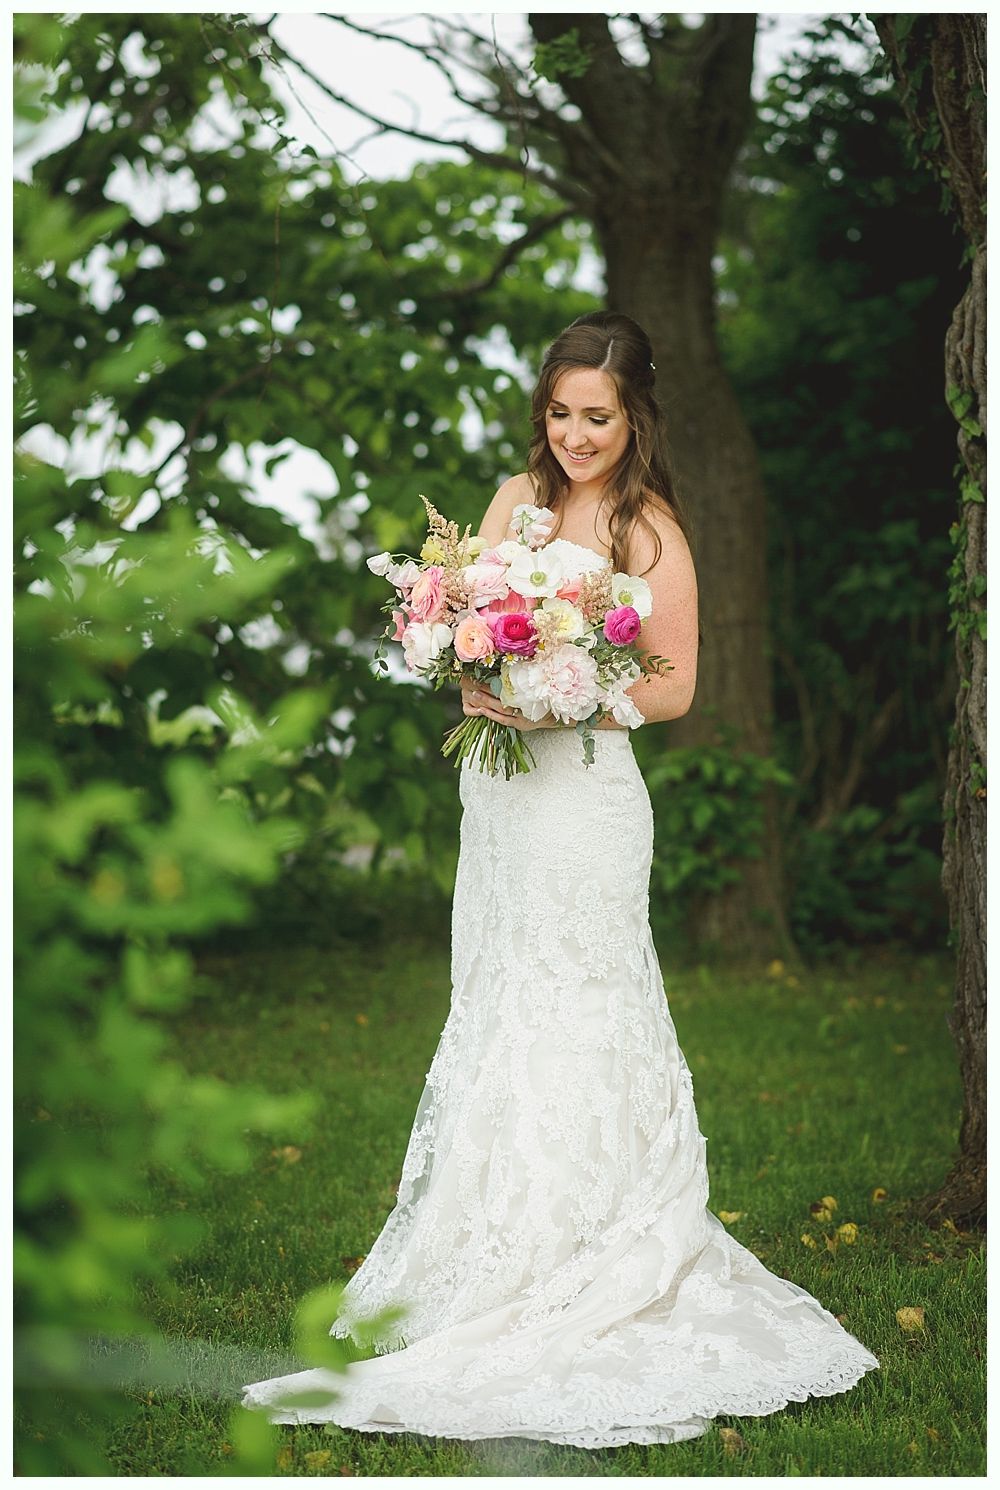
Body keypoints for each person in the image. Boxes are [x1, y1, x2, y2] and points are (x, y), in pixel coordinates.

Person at [242, 312, 878, 1447]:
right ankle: (490, 1248)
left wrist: (571, 694)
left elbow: (675, 685)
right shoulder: (511, 501)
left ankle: (594, 1246)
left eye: (597, 414)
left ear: (634, 418)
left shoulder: (651, 527)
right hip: (500, 796)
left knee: (580, 1005)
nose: (575, 432)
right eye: (560, 410)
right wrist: (472, 674)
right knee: (497, 999)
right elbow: (472, 621)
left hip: (584, 797)